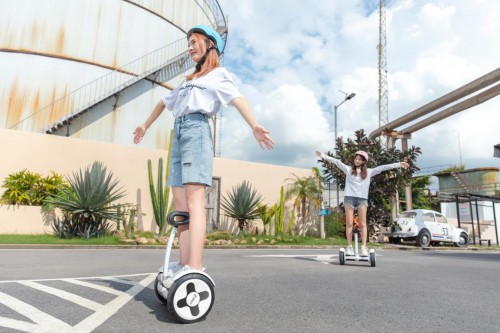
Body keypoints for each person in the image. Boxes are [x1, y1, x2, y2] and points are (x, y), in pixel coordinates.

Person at [134, 25, 275, 285]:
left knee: (194, 200)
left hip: (198, 130)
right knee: (179, 203)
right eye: (188, 43)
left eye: (193, 42)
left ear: (210, 44)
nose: (189, 47)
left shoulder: (219, 74)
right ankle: (184, 262)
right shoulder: (188, 81)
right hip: (178, 133)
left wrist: (254, 125)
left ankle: (195, 266)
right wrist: (145, 125)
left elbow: (238, 99)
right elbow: (164, 102)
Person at [315, 150, 409, 256]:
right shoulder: (348, 169)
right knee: (349, 223)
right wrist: (322, 155)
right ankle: (349, 247)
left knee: (363, 224)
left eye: (359, 159)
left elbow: (383, 167)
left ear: (364, 161)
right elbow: (336, 162)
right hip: (349, 198)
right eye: (356, 158)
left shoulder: (369, 172)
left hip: (362, 200)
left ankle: (364, 247)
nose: (357, 160)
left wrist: (399, 164)